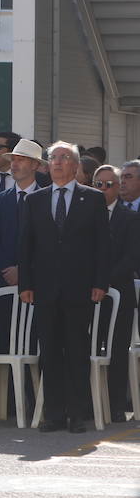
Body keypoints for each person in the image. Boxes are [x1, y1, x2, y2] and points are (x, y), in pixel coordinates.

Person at [19, 142, 110, 432]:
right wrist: (26, 284)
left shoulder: (92, 199)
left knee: (76, 350)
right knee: (49, 351)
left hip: (79, 288)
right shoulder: (35, 200)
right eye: (53, 158)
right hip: (45, 289)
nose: (57, 162)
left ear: (75, 165)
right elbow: (26, 245)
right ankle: (55, 414)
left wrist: (100, 282)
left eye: (64, 158)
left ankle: (77, 414)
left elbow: (102, 245)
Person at [92, 164, 140, 420]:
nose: (103, 188)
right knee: (88, 348)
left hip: (119, 293)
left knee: (117, 351)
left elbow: (132, 258)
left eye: (109, 184)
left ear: (118, 187)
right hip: (90, 295)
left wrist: (103, 280)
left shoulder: (130, 218)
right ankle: (90, 404)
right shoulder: (86, 215)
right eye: (98, 184)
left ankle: (116, 405)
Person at [0, 139, 45, 288]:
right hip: (3, 280)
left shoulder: (46, 200)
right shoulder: (1, 199)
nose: (14, 164)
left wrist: (23, 270)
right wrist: (8, 269)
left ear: (35, 165)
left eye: (21, 160)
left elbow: (47, 244)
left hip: (37, 282)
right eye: (13, 160)